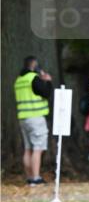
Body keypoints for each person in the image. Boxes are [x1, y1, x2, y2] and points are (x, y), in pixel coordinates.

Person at [14, 55, 52, 185]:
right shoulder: (33, 78)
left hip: (23, 118)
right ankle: (36, 178)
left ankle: (30, 178)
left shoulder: (19, 80)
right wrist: (47, 81)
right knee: (38, 148)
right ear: (34, 65)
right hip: (36, 117)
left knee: (28, 148)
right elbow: (46, 93)